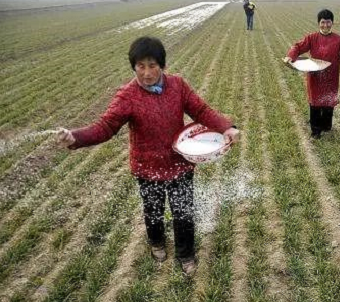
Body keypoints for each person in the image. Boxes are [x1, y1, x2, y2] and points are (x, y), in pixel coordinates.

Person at [57, 36, 239, 275]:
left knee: (183, 212)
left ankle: (185, 254)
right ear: (133, 67)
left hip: (179, 162)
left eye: (152, 65)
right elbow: (105, 127)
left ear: (162, 65)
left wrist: (226, 127)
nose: (146, 73)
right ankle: (157, 242)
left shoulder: (178, 86)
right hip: (147, 166)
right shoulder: (127, 96)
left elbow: (200, 110)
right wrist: (76, 137)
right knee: (153, 211)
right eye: (140, 66)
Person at [283, 9, 340, 139]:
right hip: (315, 77)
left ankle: (326, 126)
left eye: (328, 22)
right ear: (318, 23)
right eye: (322, 22)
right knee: (315, 103)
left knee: (328, 101)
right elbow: (297, 47)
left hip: (331, 77)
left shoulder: (338, 40)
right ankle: (315, 131)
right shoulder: (312, 38)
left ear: (332, 23)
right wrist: (290, 57)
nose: (325, 25)